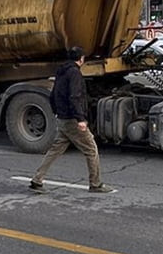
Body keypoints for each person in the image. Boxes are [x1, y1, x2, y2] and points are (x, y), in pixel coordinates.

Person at [28, 46, 113, 194]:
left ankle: (37, 179)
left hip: (63, 118)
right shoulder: (74, 73)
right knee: (91, 149)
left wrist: (56, 112)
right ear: (81, 59)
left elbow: (53, 94)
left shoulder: (61, 72)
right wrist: (80, 118)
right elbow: (75, 97)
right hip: (72, 119)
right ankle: (96, 184)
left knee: (55, 150)